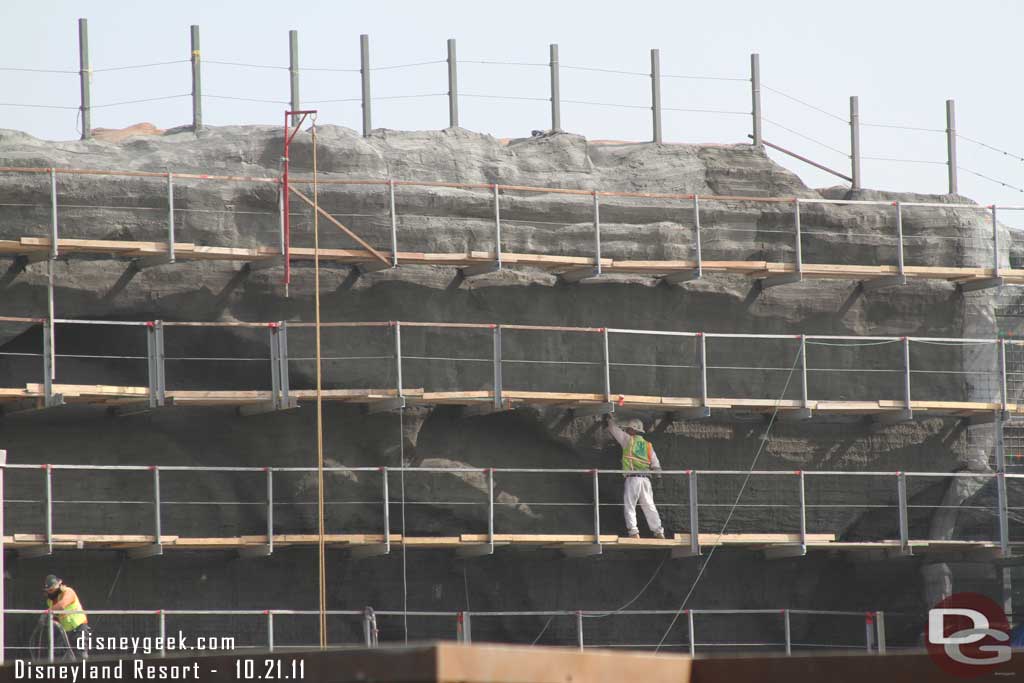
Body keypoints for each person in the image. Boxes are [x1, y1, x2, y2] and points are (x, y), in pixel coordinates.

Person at [603, 415, 666, 539]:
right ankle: (659, 532)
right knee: (649, 506)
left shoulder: (628, 440)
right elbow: (656, 465)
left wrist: (609, 419)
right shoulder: (648, 445)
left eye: (628, 429)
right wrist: (658, 477)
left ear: (632, 430)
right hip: (646, 480)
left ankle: (633, 532)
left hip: (633, 479)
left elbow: (614, 430)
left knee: (630, 505)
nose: (626, 431)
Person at [44, 575, 90, 659]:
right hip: (65, 631)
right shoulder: (50, 601)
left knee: (81, 654)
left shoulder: (68, 592)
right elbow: (55, 615)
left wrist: (46, 613)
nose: (51, 592)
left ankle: (83, 670)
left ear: (59, 585)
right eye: (49, 590)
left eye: (52, 589)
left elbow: (62, 605)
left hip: (79, 627)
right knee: (58, 652)